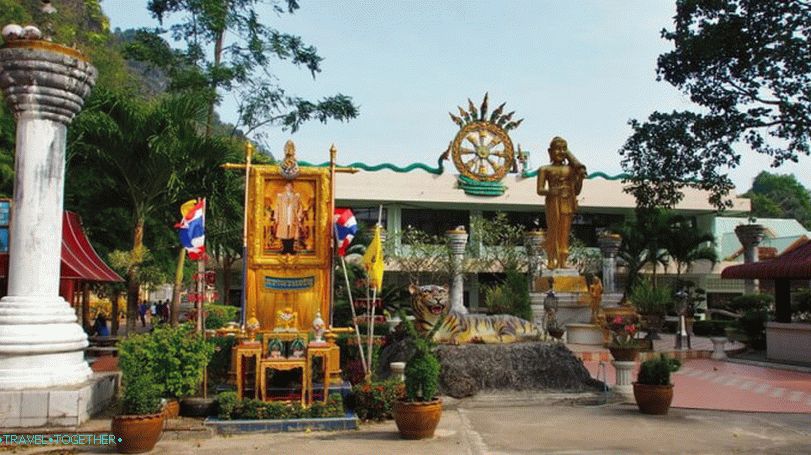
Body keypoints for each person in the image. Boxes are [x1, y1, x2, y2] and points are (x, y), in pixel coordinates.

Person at [536, 136, 587, 269]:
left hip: (567, 201)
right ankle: (551, 259)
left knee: (564, 232)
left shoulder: (570, 169)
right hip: (553, 202)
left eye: (564, 149)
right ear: (550, 151)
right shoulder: (544, 169)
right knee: (553, 230)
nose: (561, 152)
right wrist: (550, 191)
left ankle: (563, 260)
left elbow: (576, 190)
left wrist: (580, 178)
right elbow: (540, 190)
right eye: (557, 149)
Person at [273, 182, 303, 254]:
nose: (289, 188)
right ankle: (285, 249)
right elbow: (276, 207)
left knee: (291, 233)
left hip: (292, 217)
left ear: (292, 187)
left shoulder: (296, 197)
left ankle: (291, 249)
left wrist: (298, 217)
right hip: (283, 217)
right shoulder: (280, 196)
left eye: (290, 186)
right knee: (284, 233)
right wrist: (276, 217)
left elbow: (300, 207)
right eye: (287, 186)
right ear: (285, 187)